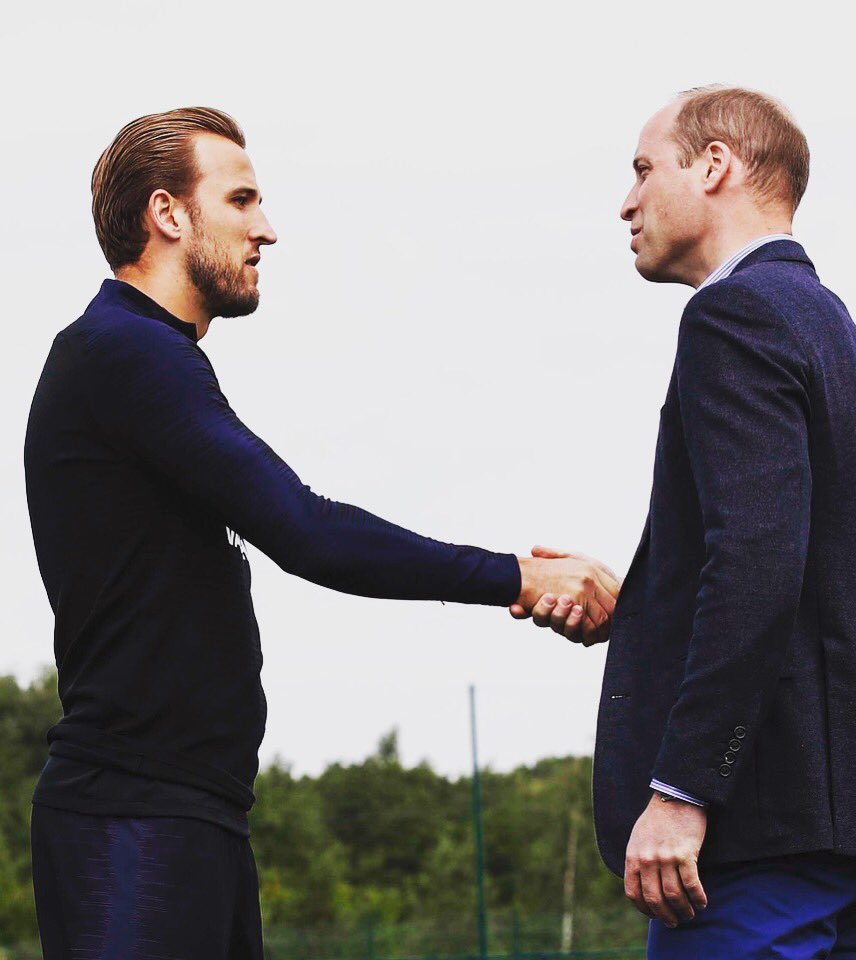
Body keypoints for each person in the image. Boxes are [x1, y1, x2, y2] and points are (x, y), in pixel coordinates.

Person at [22, 107, 606, 960]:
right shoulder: (121, 351)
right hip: (130, 820)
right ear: (169, 214)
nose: (267, 229)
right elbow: (308, 531)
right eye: (242, 199)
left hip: (195, 813)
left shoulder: (150, 358)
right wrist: (520, 577)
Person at [579, 86, 856, 958]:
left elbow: (756, 564)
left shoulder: (733, 316)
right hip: (854, 822)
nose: (627, 201)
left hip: (765, 828)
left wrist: (683, 787)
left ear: (714, 165)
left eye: (645, 169)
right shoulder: (836, 331)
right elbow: (811, 572)